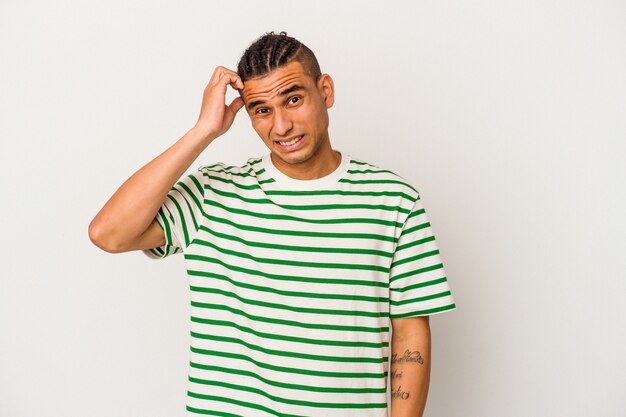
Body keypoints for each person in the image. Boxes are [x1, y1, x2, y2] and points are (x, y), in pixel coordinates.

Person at [89, 31, 456, 417]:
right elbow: (109, 233)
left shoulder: (393, 199)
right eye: (261, 109)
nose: (281, 126)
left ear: (325, 91)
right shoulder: (214, 193)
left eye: (293, 99)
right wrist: (203, 131)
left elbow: (411, 334)